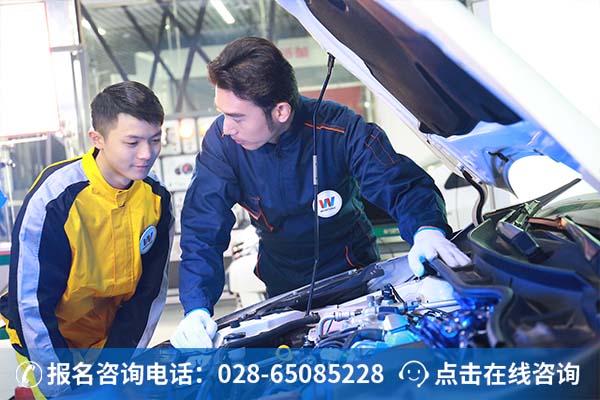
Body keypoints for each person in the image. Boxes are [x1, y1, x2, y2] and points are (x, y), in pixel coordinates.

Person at [171, 37, 469, 348]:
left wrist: (426, 228)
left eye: (237, 117)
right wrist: (196, 307)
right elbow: (203, 226)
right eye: (222, 113)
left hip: (356, 280)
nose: (226, 127)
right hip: (283, 292)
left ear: (280, 111)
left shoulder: (338, 129)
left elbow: (397, 181)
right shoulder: (223, 144)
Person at [0, 81, 174, 397]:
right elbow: (32, 304)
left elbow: (148, 294)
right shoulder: (55, 200)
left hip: (108, 340)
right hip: (48, 342)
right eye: (132, 142)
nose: (146, 154)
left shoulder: (156, 198)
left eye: (155, 139)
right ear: (97, 139)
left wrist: (118, 365)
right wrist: (60, 385)